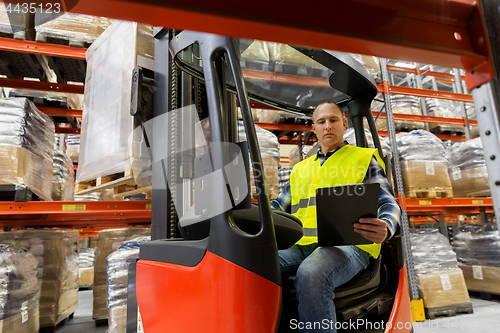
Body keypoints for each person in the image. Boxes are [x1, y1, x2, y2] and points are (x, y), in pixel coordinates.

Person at [271, 102, 401, 332]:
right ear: (314, 128)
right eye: (321, 122)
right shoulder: (300, 169)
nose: (327, 126)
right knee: (255, 263)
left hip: (349, 244)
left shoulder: (363, 158)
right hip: (301, 245)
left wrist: (387, 226)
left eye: (333, 120)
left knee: (312, 273)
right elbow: (278, 206)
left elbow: (389, 203)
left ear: (344, 123)